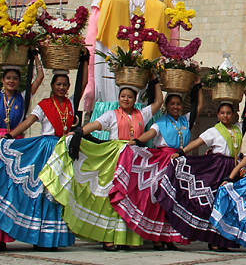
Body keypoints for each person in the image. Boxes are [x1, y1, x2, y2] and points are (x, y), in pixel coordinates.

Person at [39, 81, 164, 250]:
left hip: (135, 160)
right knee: (112, 196)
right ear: (118, 98)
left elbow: (158, 102)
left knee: (130, 198)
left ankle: (124, 238)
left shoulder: (142, 114)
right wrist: (78, 132)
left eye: (129, 97)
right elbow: (95, 124)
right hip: (115, 158)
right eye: (123, 96)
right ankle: (108, 238)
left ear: (135, 99)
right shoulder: (111, 115)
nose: (125, 99)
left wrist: (154, 80)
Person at [82, 0, 175, 139]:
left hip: (150, 64)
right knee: (111, 100)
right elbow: (92, 34)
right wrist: (89, 81)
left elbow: (173, 38)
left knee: (146, 105)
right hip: (108, 58)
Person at [110, 85, 204, 248]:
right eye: (172, 104)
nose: (176, 107)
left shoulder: (185, 120)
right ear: (166, 106)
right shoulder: (160, 122)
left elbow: (199, 107)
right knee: (161, 199)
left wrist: (198, 86)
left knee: (177, 200)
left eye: (178, 104)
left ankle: (171, 237)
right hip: (164, 161)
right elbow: (151, 134)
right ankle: (157, 237)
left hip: (180, 161)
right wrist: (138, 141)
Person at [0, 72, 75, 249]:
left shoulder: (70, 104)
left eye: (65, 85)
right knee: (41, 190)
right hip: (46, 148)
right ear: (52, 86)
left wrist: (85, 63)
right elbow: (29, 121)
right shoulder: (44, 105)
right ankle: (37, 237)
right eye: (58, 84)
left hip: (61, 148)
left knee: (56, 192)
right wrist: (11, 135)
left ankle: (49, 239)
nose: (62, 88)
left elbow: (84, 82)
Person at [157, 101, 243, 251]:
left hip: (232, 169)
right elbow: (198, 142)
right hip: (217, 167)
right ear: (218, 115)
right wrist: (181, 152)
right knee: (214, 203)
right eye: (222, 113)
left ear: (234, 115)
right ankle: (213, 240)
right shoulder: (214, 131)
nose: (225, 116)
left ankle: (224, 240)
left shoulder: (237, 129)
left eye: (228, 113)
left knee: (229, 205)